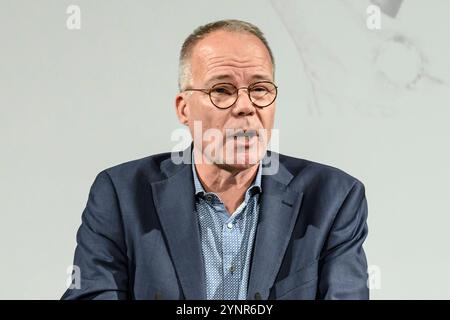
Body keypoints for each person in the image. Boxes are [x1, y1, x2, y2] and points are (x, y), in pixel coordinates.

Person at [62, 19, 369, 300]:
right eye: (222, 90)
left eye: (260, 89)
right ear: (184, 109)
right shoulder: (121, 195)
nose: (245, 107)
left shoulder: (333, 198)